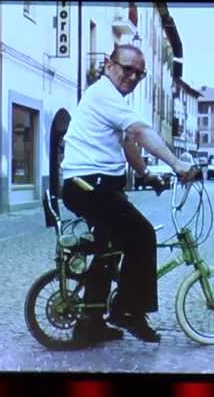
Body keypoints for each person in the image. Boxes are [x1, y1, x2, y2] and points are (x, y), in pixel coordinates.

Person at [60, 43, 200, 344]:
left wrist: (146, 175)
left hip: (97, 186)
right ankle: (128, 312)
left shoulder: (112, 99)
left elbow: (127, 143)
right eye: (128, 69)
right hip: (89, 185)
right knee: (142, 236)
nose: (133, 77)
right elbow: (139, 132)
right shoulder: (104, 94)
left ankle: (90, 323)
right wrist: (176, 163)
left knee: (109, 249)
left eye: (140, 73)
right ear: (109, 64)